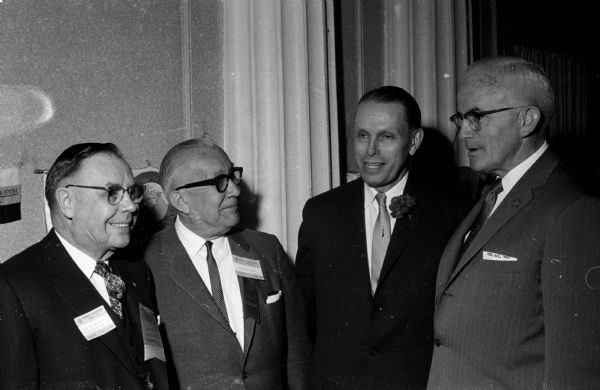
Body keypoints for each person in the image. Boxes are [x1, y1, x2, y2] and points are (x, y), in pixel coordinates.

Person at [427, 56, 600, 389]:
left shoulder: (573, 209)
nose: (464, 131)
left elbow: (576, 372)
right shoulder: (491, 196)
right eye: (461, 118)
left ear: (527, 120)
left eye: (476, 116)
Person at [295, 86, 469, 389]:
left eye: (386, 137)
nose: (370, 150)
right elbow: (303, 315)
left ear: (413, 142)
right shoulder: (320, 213)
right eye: (362, 135)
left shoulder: (451, 214)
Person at [131, 138, 311, 389]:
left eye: (233, 176)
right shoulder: (141, 263)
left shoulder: (266, 250)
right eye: (220, 182)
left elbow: (298, 355)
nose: (236, 190)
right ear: (181, 201)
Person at [0, 143, 168, 389]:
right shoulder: (14, 286)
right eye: (112, 193)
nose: (131, 206)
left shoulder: (136, 272)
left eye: (131, 193)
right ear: (67, 202)